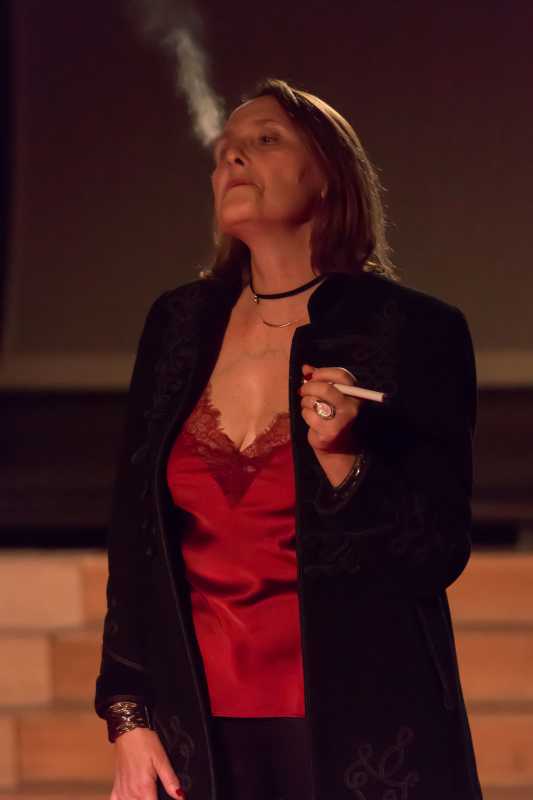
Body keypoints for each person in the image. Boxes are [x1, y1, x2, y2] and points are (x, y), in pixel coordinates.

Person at [94, 78, 483, 800]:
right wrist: (127, 716)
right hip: (196, 732)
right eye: (223, 150)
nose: (232, 158)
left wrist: (344, 459)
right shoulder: (178, 324)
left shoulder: (417, 331)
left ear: (328, 173)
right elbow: (134, 535)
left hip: (366, 734)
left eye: (265, 140)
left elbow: (436, 552)